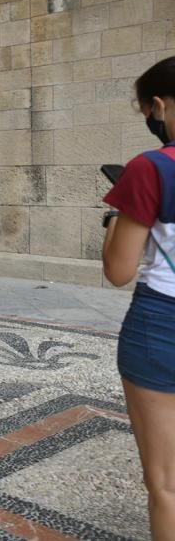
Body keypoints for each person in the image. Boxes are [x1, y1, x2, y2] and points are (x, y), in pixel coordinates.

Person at [102, 55, 175, 539]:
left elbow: (119, 270)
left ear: (158, 107)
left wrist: (112, 224)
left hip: (161, 326)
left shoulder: (150, 169)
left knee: (167, 483)